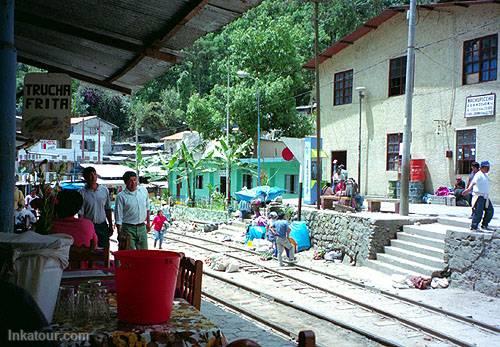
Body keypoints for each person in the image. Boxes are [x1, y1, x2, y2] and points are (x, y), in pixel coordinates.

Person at [114, 171, 151, 250]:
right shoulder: (121, 196)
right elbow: (118, 216)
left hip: (142, 227)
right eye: (130, 181)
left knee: (144, 253)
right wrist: (119, 232)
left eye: (135, 180)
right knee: (129, 254)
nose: (133, 183)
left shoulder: (143, 191)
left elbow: (147, 208)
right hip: (128, 228)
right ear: (125, 182)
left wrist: (148, 223)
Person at [79, 166, 114, 248]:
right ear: (85, 178)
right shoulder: (81, 193)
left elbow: (108, 209)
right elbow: (81, 214)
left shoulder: (104, 190)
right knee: (90, 249)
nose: (93, 177)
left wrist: (111, 225)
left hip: (102, 225)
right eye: (90, 175)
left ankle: (105, 261)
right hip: (89, 226)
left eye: (94, 174)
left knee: (104, 248)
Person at [462, 161, 494, 231]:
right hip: (479, 196)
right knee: (478, 212)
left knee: (490, 211)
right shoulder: (478, 174)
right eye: (487, 167)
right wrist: (468, 189)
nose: (488, 169)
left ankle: (484, 225)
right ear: (482, 167)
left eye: (489, 167)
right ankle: (474, 226)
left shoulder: (485, 175)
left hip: (485, 197)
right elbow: (473, 182)